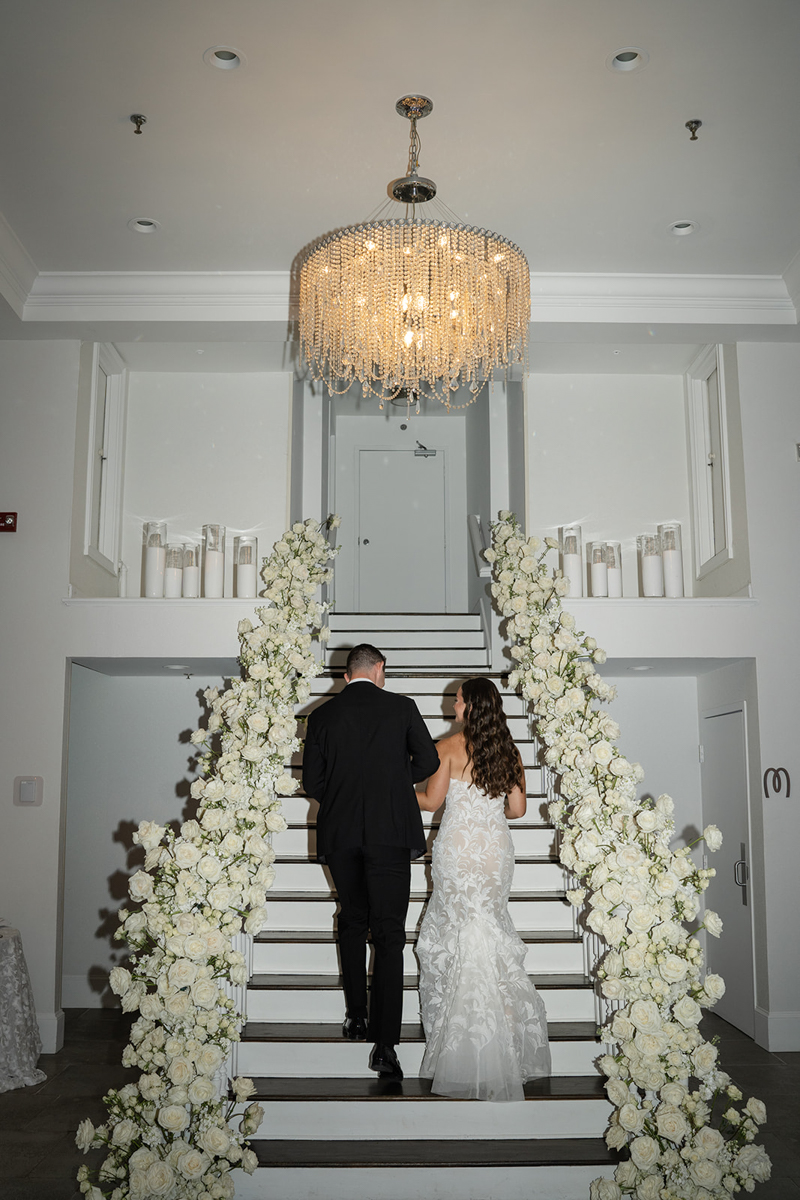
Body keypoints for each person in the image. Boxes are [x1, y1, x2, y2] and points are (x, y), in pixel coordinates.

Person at [302, 643, 440, 1080]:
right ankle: (385, 1045)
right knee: (388, 934)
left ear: (347, 674)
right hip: (390, 835)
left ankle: (356, 1016)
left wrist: (344, 800)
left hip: (341, 834)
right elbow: (430, 761)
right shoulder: (402, 707)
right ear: (379, 669)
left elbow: (312, 780)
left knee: (352, 917)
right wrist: (393, 784)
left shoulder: (321, 715)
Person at [415, 677, 551, 1101]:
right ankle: (504, 1046)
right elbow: (517, 808)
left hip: (456, 851)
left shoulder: (446, 748)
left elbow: (431, 803)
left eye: (456, 700)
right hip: (494, 852)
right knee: (489, 935)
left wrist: (392, 784)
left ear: (470, 706)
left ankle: (465, 1049)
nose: (452, 705)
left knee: (456, 938)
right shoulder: (508, 751)